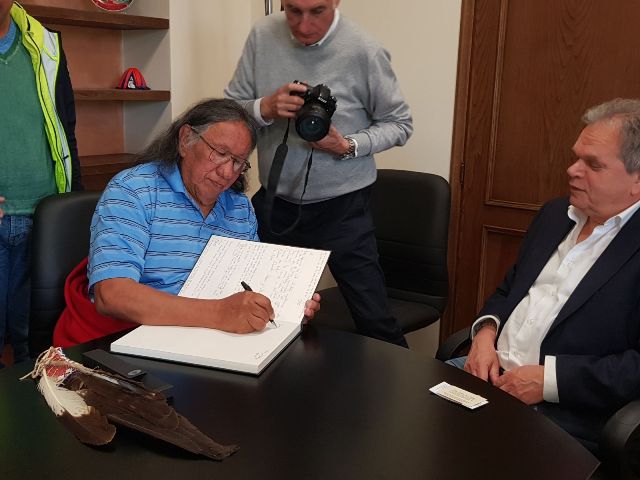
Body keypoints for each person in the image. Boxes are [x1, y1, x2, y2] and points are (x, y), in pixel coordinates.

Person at [451, 98, 640, 452]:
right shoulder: (555, 214)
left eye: (593, 164)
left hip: (565, 412)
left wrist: (548, 381)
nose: (572, 170)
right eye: (576, 157)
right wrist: (484, 335)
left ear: (636, 180)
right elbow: (510, 289)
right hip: (487, 376)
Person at [53, 98, 320, 347]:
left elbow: (251, 284)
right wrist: (219, 313)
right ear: (185, 140)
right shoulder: (133, 190)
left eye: (238, 162)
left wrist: (284, 305)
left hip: (209, 340)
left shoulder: (238, 207)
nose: (227, 172)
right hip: (131, 340)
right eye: (219, 153)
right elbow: (112, 295)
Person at [224, 0, 413, 347]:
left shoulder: (364, 49)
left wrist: (347, 145)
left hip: (344, 208)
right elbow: (228, 109)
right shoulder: (262, 35)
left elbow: (400, 124)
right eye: (293, 11)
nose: (304, 25)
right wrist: (265, 107)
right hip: (275, 204)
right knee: (262, 313)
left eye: (317, 11)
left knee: (375, 319)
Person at [0, 1, 82, 365]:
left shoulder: (44, 42)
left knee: (35, 350)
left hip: (44, 221)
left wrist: (73, 210)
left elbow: (66, 129)